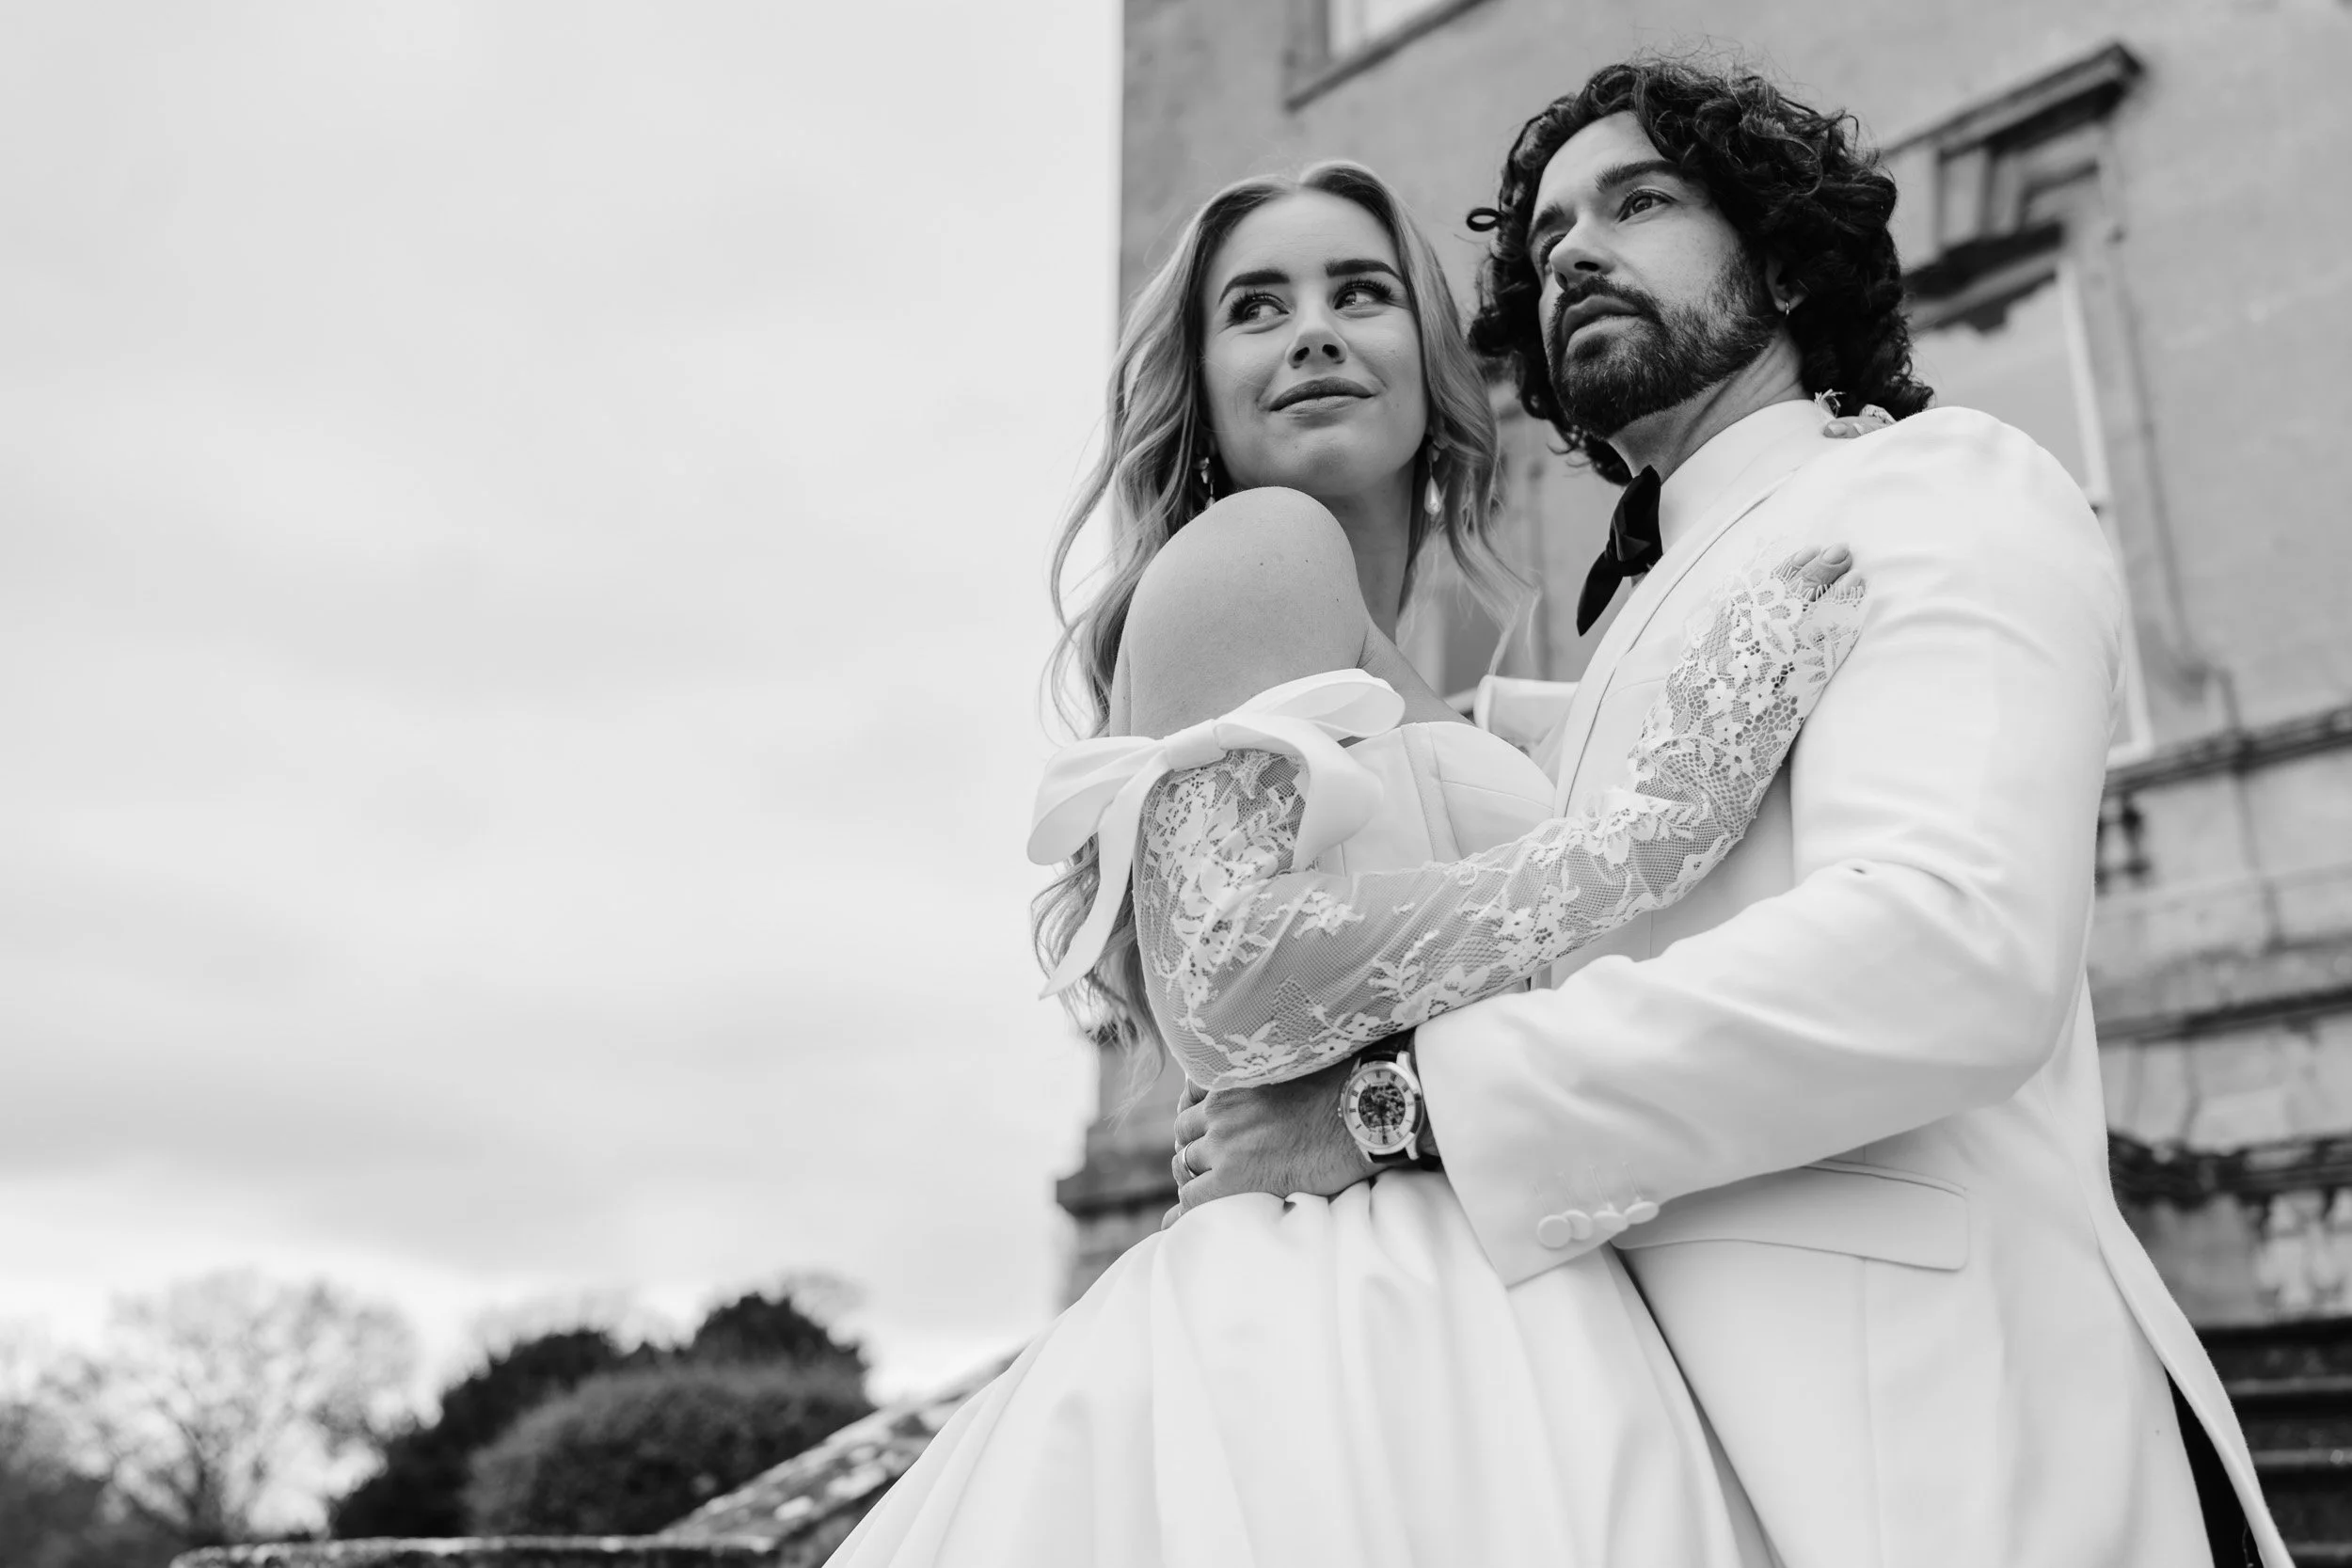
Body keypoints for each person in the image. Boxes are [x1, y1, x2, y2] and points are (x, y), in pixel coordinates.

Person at [1173, 60, 2290, 1568]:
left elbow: (1947, 949)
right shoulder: (1628, 627)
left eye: (1638, 202)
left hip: (1943, 1460)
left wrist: (1402, 1108)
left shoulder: (1926, 483)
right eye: (1547, 230)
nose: (1571, 248)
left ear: (1776, 260)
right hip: (1642, 1459)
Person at [827, 158, 1867, 1568]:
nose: (1312, 329)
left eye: (1360, 293)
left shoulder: (1427, 660)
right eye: (1257, 307)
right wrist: (1647, 832)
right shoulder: (1264, 547)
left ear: (1433, 365)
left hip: (1493, 1268)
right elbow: (1228, 971)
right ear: (1200, 384)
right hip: (1340, 1317)